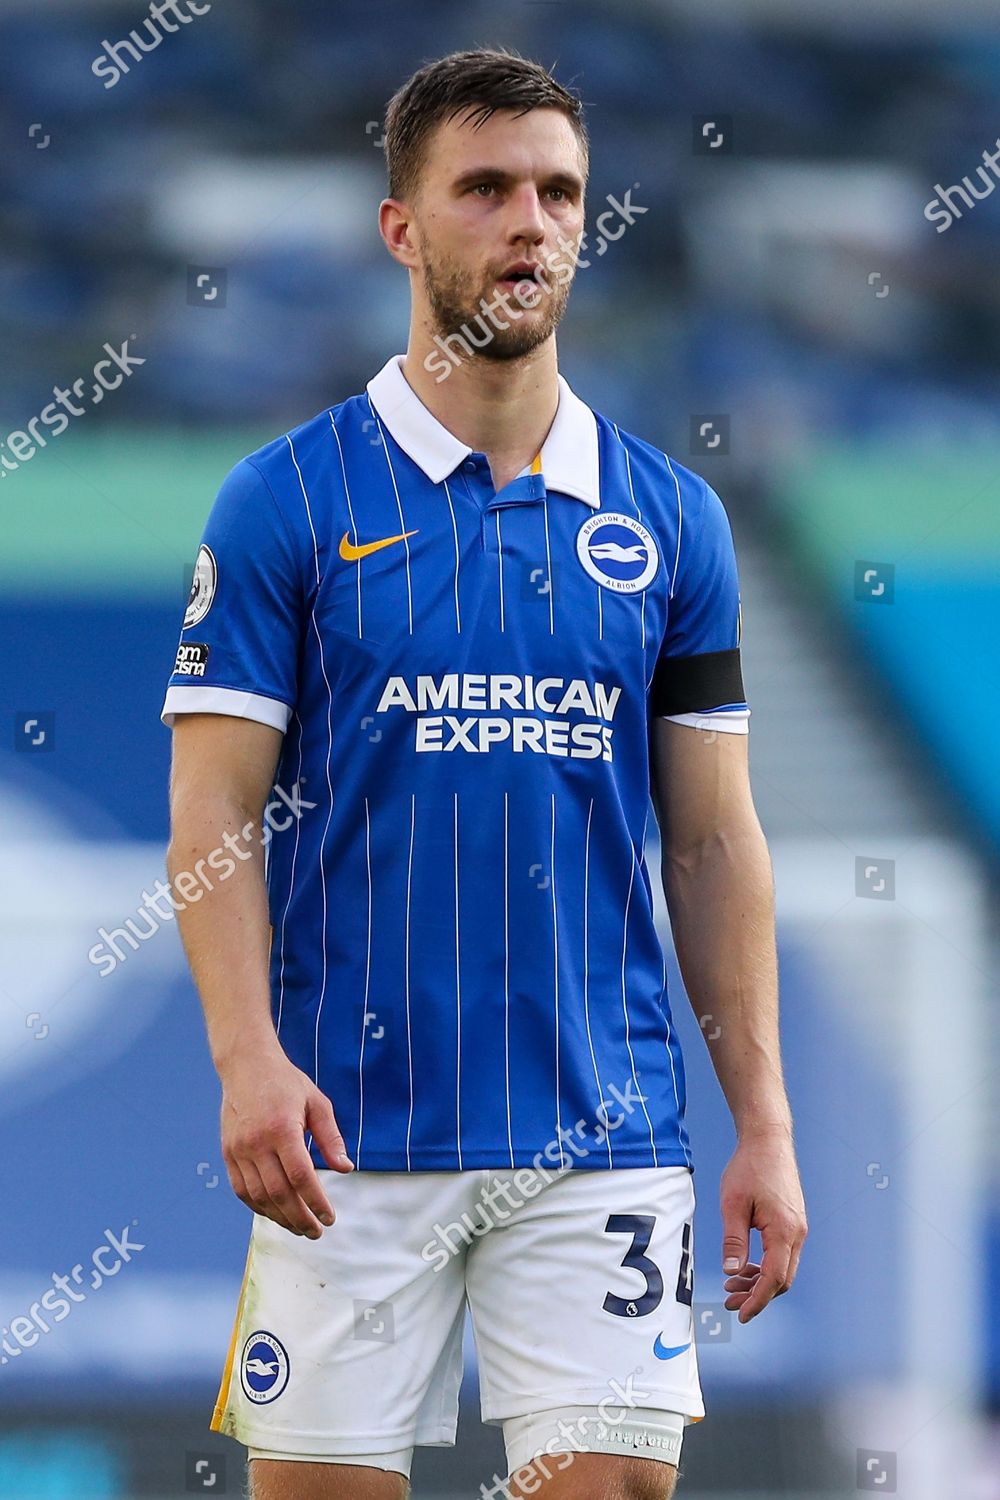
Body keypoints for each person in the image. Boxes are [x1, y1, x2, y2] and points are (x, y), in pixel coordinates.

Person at [162, 46, 807, 1500]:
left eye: (560, 192)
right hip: (349, 1138)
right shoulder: (287, 499)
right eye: (487, 189)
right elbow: (214, 811)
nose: (532, 221)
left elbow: (711, 844)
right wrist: (247, 1058)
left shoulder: (673, 521)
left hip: (603, 1132)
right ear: (403, 227)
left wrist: (761, 1123)